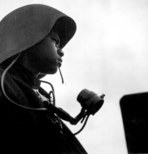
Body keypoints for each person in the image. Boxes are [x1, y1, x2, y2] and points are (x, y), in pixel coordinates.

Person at [0, 4, 104, 154]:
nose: (61, 52)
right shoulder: (5, 85)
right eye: (55, 42)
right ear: (29, 39)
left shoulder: (37, 94)